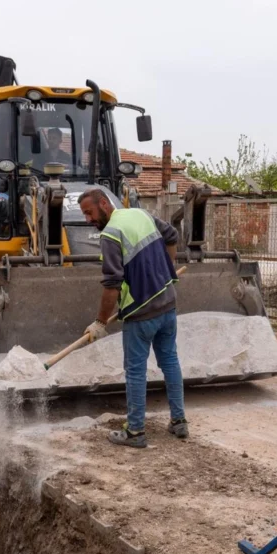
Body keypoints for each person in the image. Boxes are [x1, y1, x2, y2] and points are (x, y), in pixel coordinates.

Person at [79, 188, 188, 448]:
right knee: (170, 362)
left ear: (104, 204)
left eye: (89, 212)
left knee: (136, 372)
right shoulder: (140, 214)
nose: (87, 219)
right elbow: (172, 236)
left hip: (141, 314)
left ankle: (135, 431)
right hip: (168, 303)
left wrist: (100, 322)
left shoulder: (110, 234)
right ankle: (179, 422)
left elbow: (112, 285)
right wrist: (167, 272)